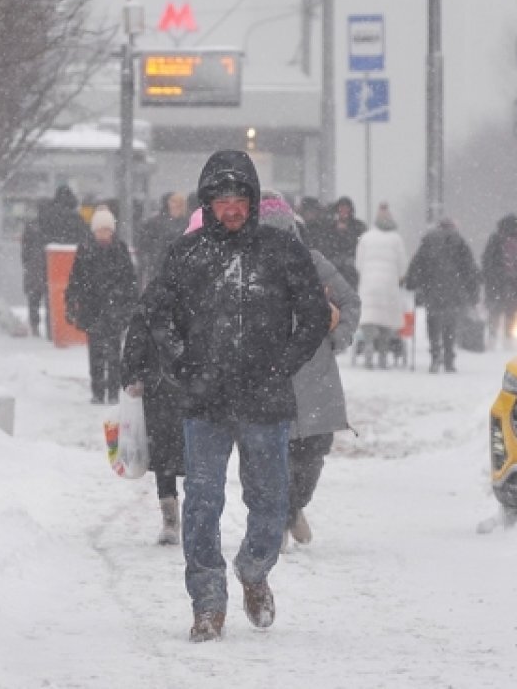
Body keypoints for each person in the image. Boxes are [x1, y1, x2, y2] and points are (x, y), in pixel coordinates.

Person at [145, 149, 330, 642]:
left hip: (265, 400)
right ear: (207, 203)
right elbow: (157, 315)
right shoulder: (185, 255)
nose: (230, 209)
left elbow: (314, 315)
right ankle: (207, 602)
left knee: (270, 501)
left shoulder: (282, 251)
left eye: (238, 199)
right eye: (220, 200)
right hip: (204, 401)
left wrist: (284, 364)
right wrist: (182, 361)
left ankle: (254, 568)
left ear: (251, 200)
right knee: (202, 503)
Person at [256, 191, 360, 551]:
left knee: (314, 452)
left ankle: (294, 507)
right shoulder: (250, 268)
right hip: (271, 378)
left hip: (316, 376)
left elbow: (349, 301)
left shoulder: (314, 262)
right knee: (277, 455)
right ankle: (282, 519)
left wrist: (338, 338)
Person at [121, 294, 186, 546]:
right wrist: (132, 376)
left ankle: (197, 518)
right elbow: (134, 345)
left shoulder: (205, 293)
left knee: (197, 458)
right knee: (164, 457)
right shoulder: (152, 303)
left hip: (195, 390)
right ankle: (170, 516)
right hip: (158, 391)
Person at [65, 207, 137, 404]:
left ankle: (113, 392)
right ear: (94, 231)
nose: (103, 234)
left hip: (116, 309)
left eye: (106, 230)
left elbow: (130, 281)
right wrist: (71, 303)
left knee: (115, 354)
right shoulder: (85, 249)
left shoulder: (120, 250)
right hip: (93, 308)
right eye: (99, 230)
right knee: (95, 352)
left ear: (112, 231)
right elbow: (75, 279)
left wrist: (130, 306)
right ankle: (97, 391)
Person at [405, 217, 480, 374]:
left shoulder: (428, 242)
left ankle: (435, 355)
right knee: (450, 325)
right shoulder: (459, 242)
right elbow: (469, 269)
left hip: (432, 290)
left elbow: (417, 264)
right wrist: (473, 292)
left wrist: (411, 282)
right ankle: (449, 359)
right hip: (453, 291)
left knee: (433, 323)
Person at [20, 186, 89, 338]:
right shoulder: (76, 219)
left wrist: (27, 261)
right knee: (59, 298)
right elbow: (85, 241)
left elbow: (27, 247)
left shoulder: (42, 219)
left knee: (38, 297)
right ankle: (58, 329)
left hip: (41, 264)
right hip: (66, 265)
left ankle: (36, 326)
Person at [354, 203, 409, 370]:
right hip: (388, 285)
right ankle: (383, 355)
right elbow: (403, 265)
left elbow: (358, 264)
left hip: (369, 285)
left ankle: (369, 346)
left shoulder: (366, 238)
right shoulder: (396, 239)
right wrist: (399, 277)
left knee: (369, 319)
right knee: (386, 321)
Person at [481, 213, 517, 350]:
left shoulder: (496, 239)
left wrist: (491, 275)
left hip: (497, 284)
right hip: (516, 285)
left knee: (494, 312)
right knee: (510, 313)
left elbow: (486, 260)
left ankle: (492, 340)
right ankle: (508, 341)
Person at [137, 191, 188, 287]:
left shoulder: (187, 222)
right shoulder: (155, 223)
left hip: (181, 268)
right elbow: (145, 244)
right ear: (168, 204)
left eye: (179, 203)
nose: (176, 206)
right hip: (160, 266)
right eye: (174, 202)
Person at [316, 196, 366, 290]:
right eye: (341, 208)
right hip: (335, 271)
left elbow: (362, 247)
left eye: (346, 208)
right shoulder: (329, 228)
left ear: (351, 210)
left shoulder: (358, 227)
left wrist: (351, 260)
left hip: (353, 273)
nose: (343, 211)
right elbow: (325, 248)